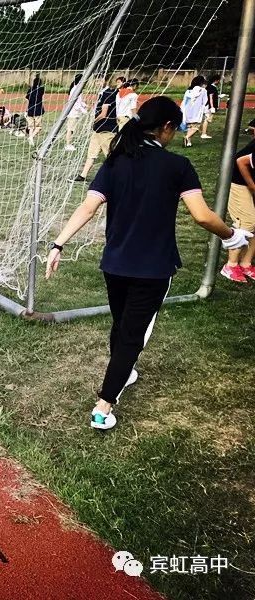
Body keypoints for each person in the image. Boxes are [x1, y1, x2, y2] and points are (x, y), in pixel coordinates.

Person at [46, 96, 252, 430]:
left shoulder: (116, 161)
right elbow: (201, 216)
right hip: (153, 269)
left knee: (123, 326)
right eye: (177, 127)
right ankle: (103, 407)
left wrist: (58, 244)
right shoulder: (177, 165)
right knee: (131, 336)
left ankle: (122, 372)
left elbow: (88, 206)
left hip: (115, 265)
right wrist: (231, 235)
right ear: (167, 127)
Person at [221, 118, 255, 282]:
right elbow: (241, 162)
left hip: (250, 181)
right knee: (247, 222)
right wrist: (253, 186)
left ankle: (246, 263)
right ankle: (231, 266)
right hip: (238, 181)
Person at [74, 75, 118, 182]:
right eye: (96, 80)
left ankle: (119, 175)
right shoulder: (102, 93)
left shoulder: (108, 93)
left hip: (106, 129)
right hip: (98, 129)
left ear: (106, 80)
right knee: (91, 153)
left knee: (111, 155)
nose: (97, 83)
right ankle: (83, 175)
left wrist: (92, 122)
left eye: (100, 80)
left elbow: (103, 114)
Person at [180, 75, 208, 147]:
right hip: (197, 111)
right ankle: (186, 137)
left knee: (190, 126)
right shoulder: (203, 91)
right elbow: (205, 102)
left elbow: (184, 100)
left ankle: (189, 142)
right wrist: (206, 111)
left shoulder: (188, 91)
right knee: (196, 126)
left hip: (187, 110)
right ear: (201, 83)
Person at [64, 74, 88, 151]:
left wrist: (84, 105)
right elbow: (74, 103)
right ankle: (68, 145)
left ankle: (69, 143)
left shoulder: (78, 89)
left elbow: (79, 101)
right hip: (73, 113)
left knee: (72, 129)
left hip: (75, 113)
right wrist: (83, 110)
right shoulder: (75, 89)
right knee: (70, 129)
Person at [25, 75, 45, 146]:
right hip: (38, 111)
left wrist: (26, 110)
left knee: (31, 127)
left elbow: (27, 100)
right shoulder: (41, 89)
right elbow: (41, 90)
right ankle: (31, 137)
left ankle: (31, 140)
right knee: (38, 127)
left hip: (30, 110)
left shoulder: (30, 90)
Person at [201, 74, 221, 140]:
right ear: (216, 80)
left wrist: (219, 96)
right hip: (209, 106)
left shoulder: (209, 87)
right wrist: (212, 107)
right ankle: (203, 133)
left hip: (208, 105)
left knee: (206, 119)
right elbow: (210, 97)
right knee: (207, 119)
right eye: (219, 80)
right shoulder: (212, 87)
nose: (219, 82)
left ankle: (203, 132)